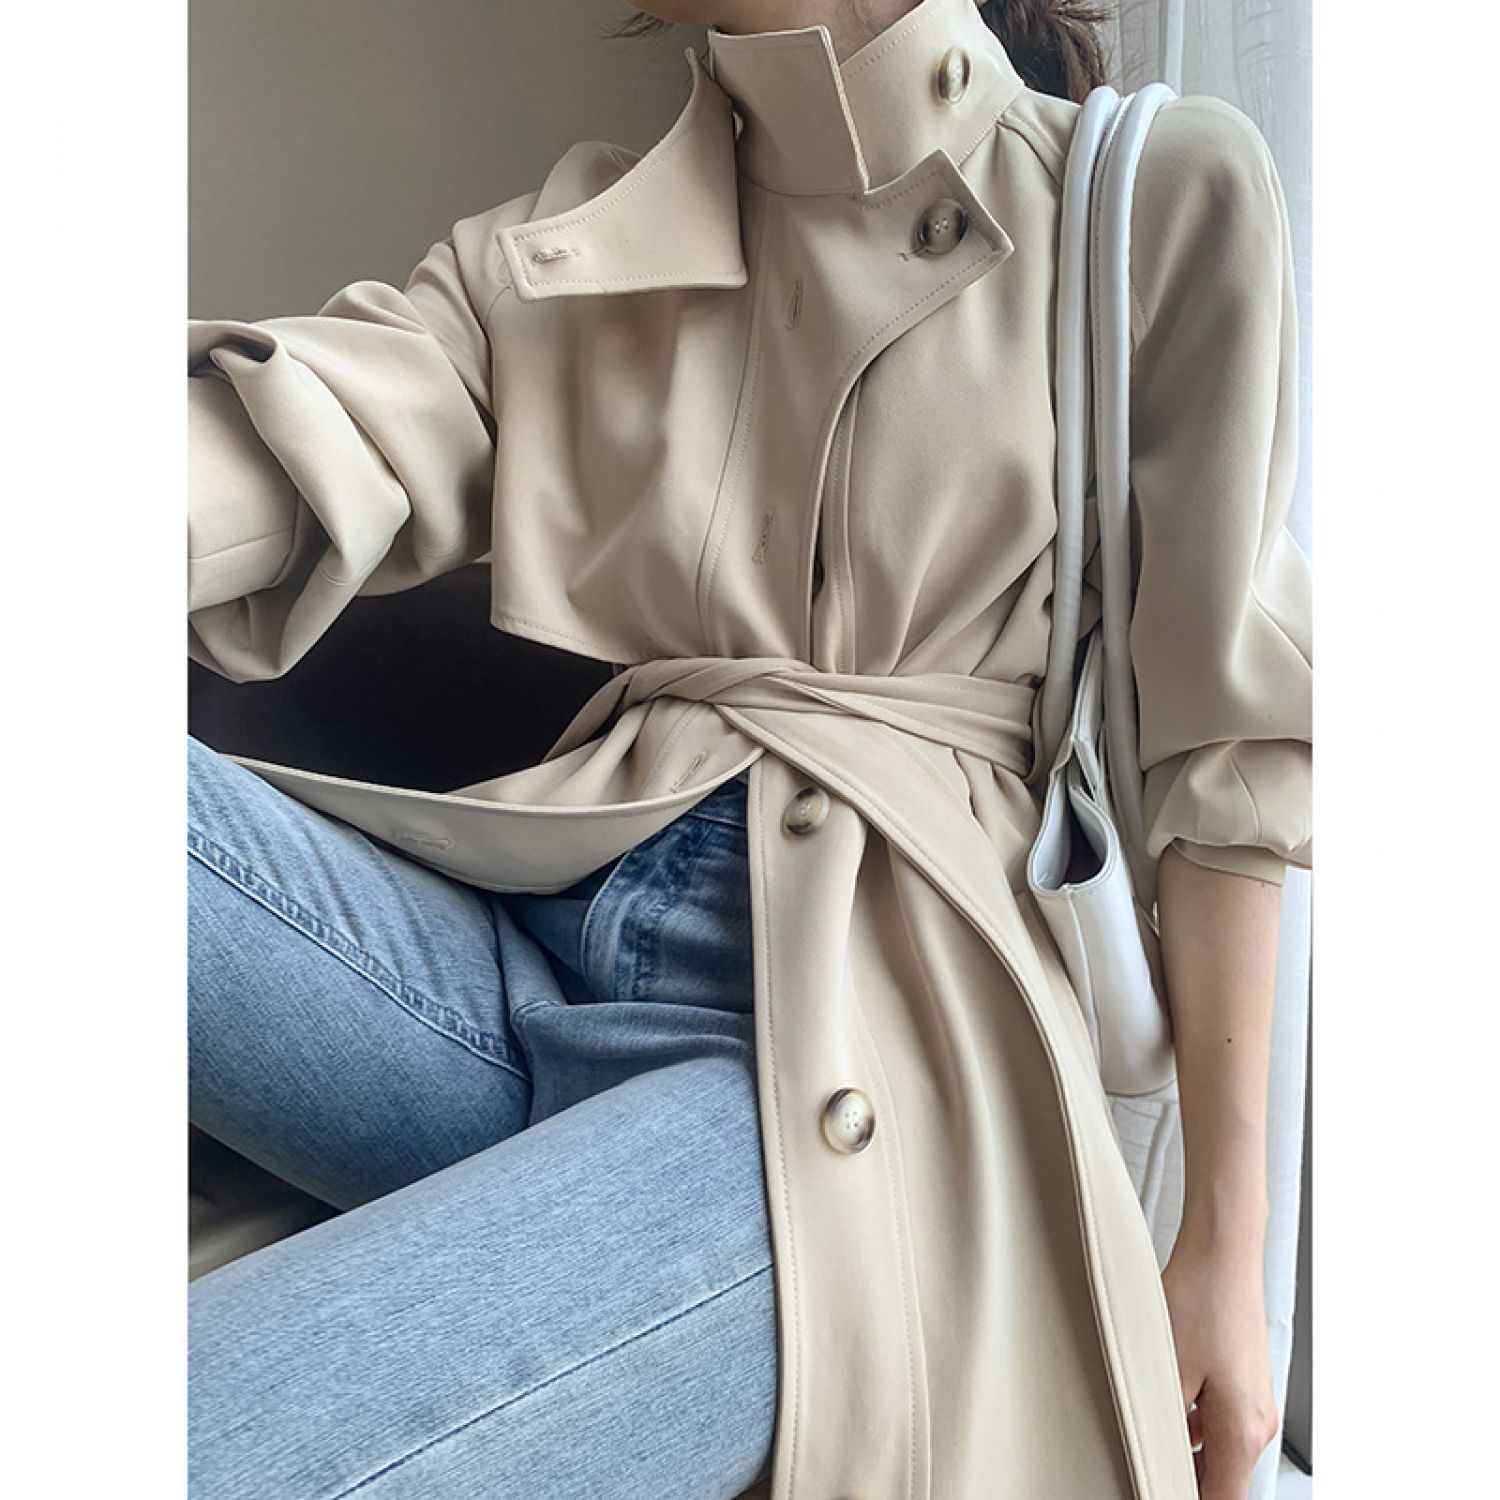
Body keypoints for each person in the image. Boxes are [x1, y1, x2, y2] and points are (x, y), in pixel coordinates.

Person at [187, 3, 1312, 1499]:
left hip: (872, 1039)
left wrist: (1226, 1253)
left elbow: (1226, 757)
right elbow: (321, 421)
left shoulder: (1152, 194)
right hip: (526, 959)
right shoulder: (583, 234)